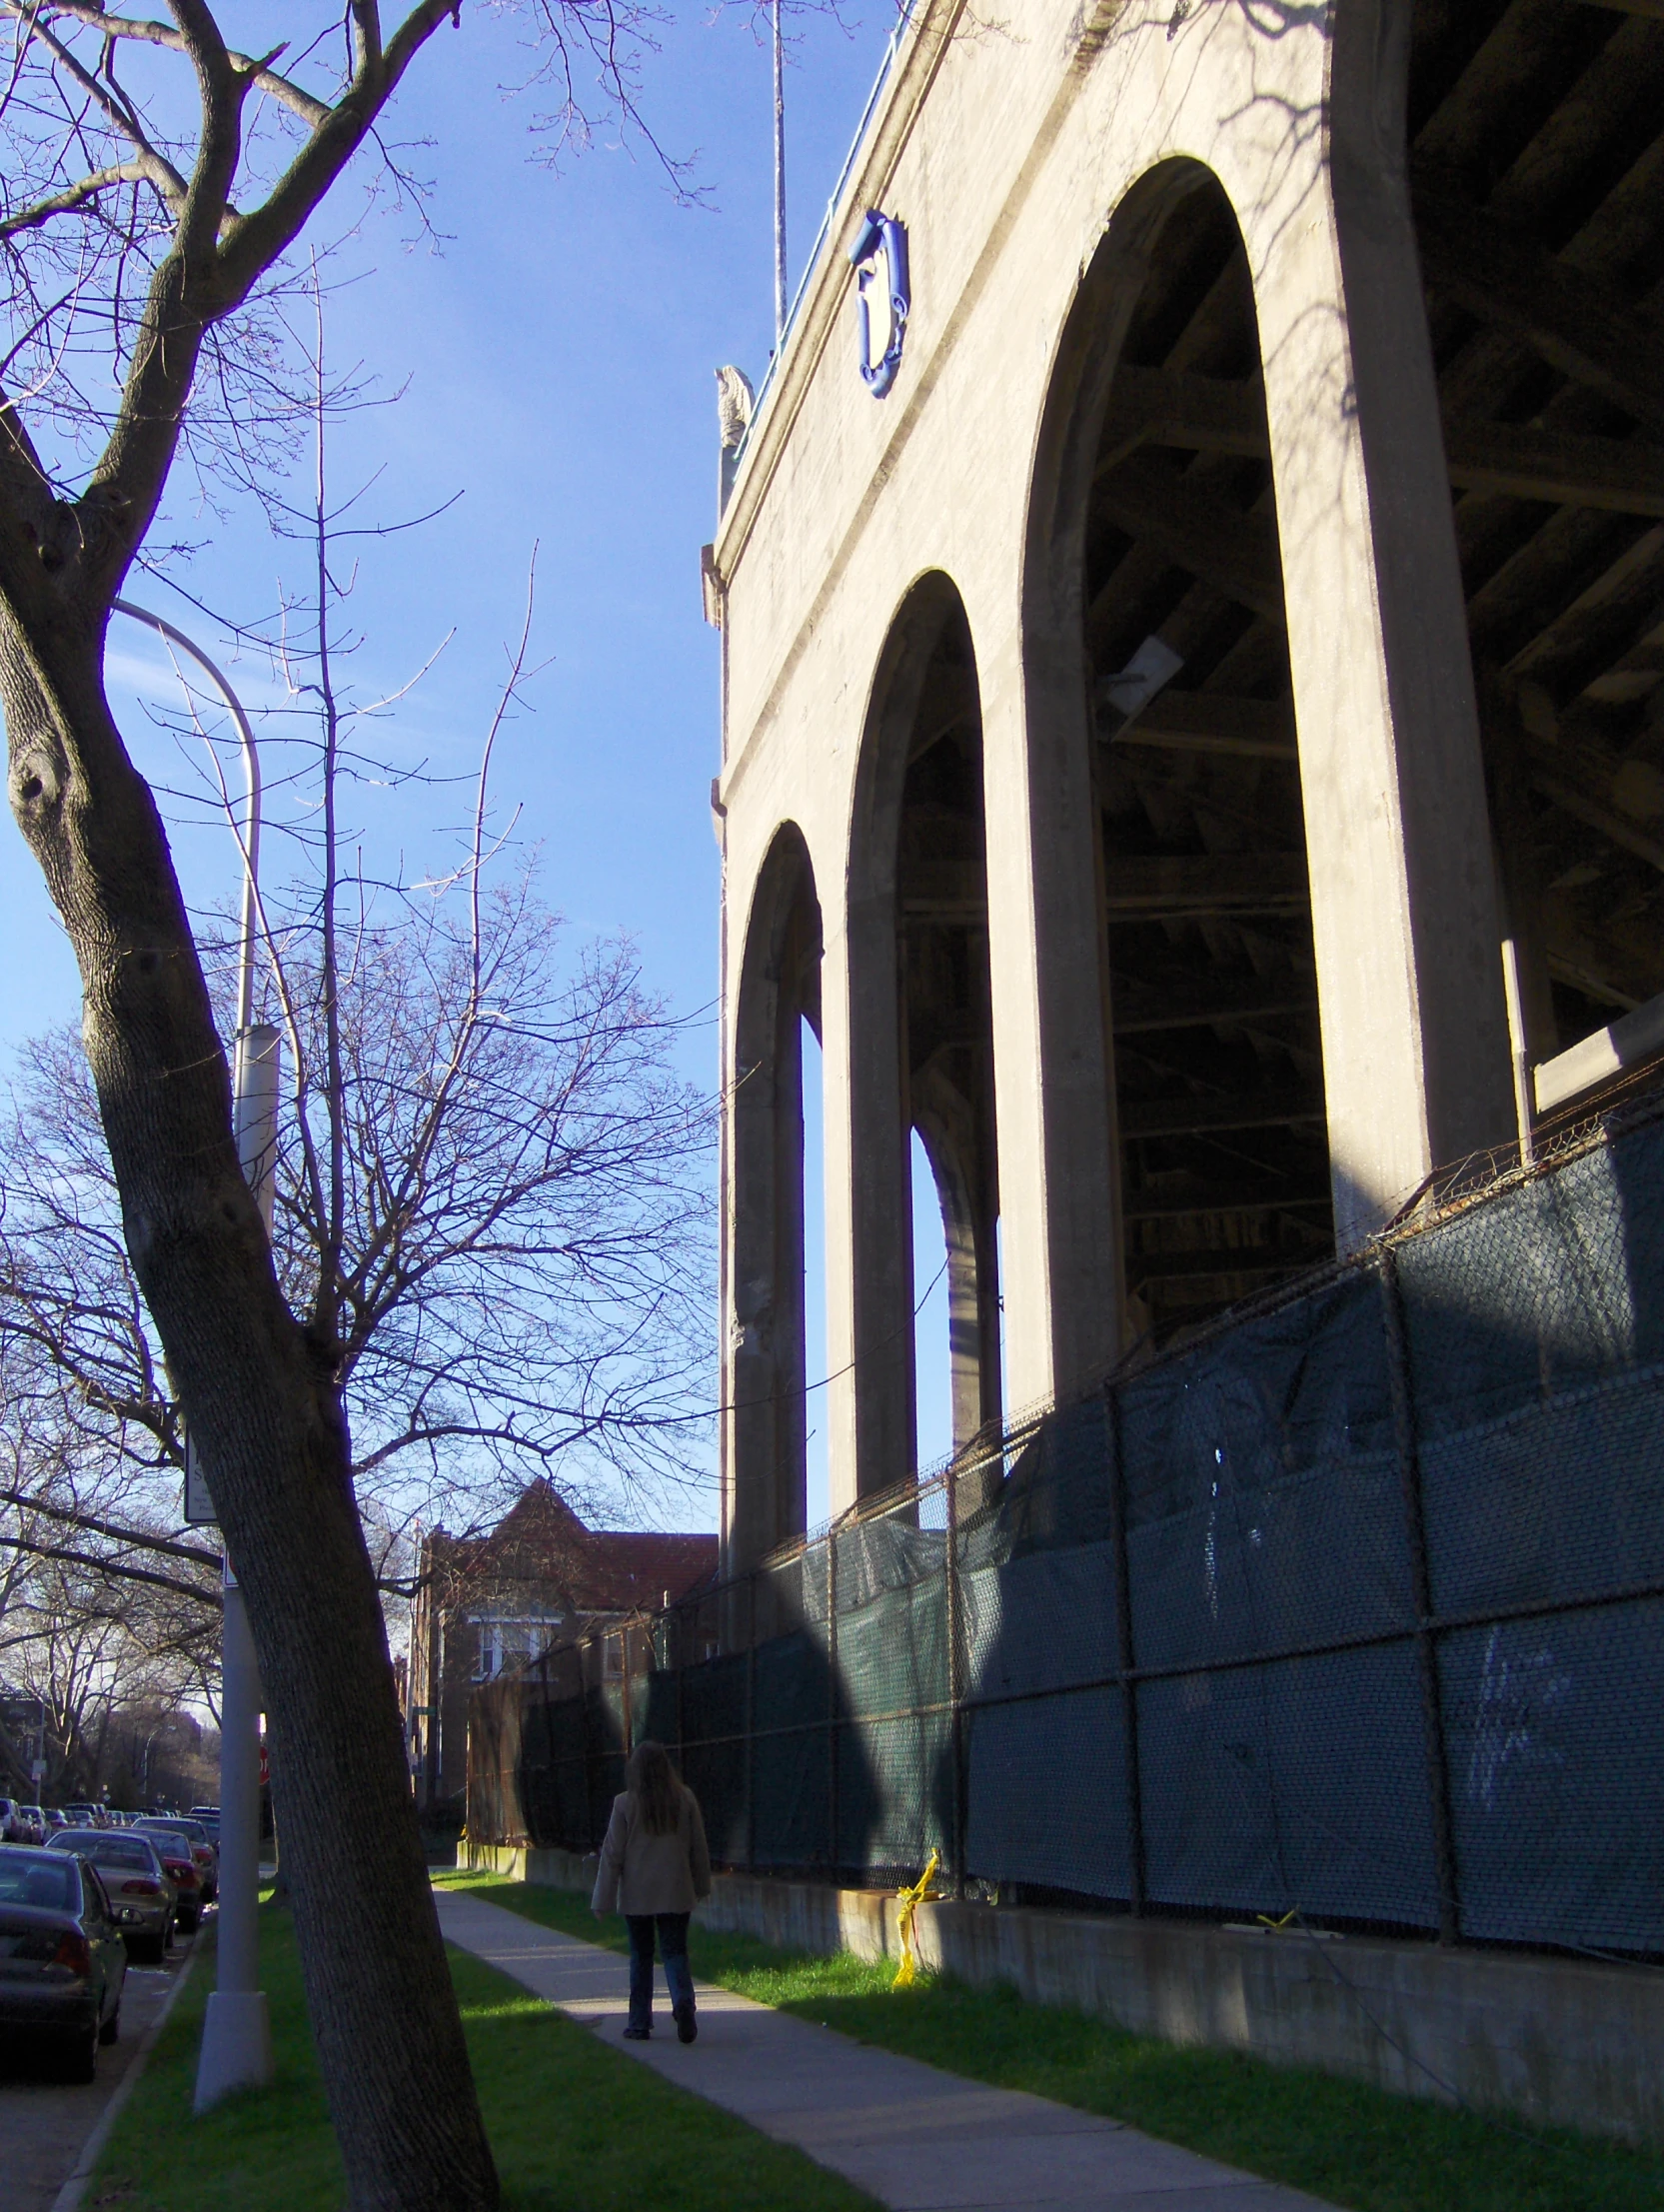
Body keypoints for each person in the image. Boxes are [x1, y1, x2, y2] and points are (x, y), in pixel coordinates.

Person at [591, 1740, 712, 2042]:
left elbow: (612, 1854)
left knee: (641, 1956)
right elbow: (698, 1846)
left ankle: (639, 2022)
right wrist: (701, 1884)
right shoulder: (685, 1799)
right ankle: (683, 2002)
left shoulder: (624, 1803)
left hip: (638, 1895)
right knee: (674, 1951)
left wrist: (601, 1900)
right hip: (676, 1889)